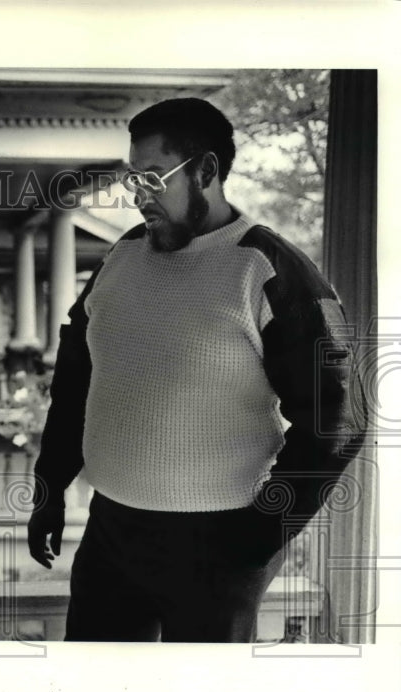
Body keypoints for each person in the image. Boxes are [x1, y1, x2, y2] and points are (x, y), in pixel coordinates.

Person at [27, 97, 368, 642]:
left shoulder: (270, 270)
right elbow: (76, 379)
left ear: (207, 170)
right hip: (111, 532)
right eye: (132, 180)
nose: (139, 198)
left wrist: (262, 534)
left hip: (221, 543)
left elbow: (338, 420)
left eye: (153, 178)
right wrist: (50, 486)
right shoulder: (121, 258)